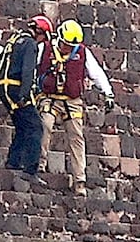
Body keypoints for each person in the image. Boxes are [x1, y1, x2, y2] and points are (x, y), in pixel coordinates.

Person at [35, 19, 115, 195]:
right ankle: (38, 164)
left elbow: (96, 73)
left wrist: (108, 93)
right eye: (66, 45)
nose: (68, 49)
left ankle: (79, 179)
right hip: (49, 97)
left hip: (72, 101)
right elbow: (33, 68)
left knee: (77, 137)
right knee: (45, 124)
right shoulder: (45, 48)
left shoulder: (82, 53)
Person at [0, 15, 52, 180]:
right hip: (16, 89)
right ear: (39, 32)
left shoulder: (14, 39)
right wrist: (25, 95)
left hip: (3, 88)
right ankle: (30, 170)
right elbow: (28, 71)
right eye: (43, 38)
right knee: (36, 127)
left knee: (22, 126)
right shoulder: (30, 44)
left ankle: (13, 161)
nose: (42, 42)